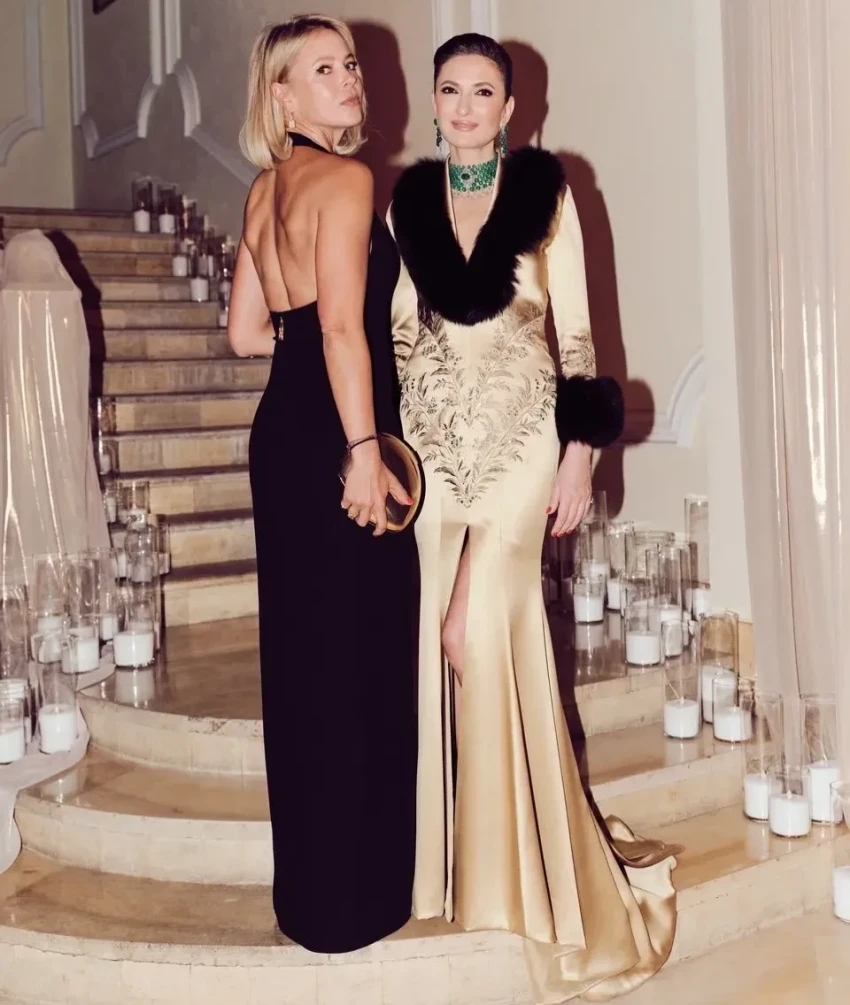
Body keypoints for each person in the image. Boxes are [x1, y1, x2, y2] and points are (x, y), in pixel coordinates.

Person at [388, 33, 677, 1001]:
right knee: (443, 641)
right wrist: (395, 442)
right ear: (434, 102)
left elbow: (579, 333)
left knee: (473, 632)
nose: (465, 106)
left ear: (512, 110)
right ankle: (476, 860)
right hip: (432, 448)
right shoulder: (408, 201)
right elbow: (399, 327)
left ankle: (536, 868)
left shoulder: (548, 195)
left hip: (520, 440)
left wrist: (580, 452)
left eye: (484, 92)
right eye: (451, 90)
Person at [229, 16, 418, 954]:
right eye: (325, 70)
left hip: (281, 432)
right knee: (360, 655)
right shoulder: (345, 181)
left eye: (350, 64)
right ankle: (358, 900)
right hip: (340, 437)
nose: (350, 79)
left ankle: (307, 896)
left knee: (303, 660)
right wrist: (364, 448)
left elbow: (243, 334)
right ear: (283, 96)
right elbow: (344, 329)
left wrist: (298, 345)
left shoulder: (263, 192)